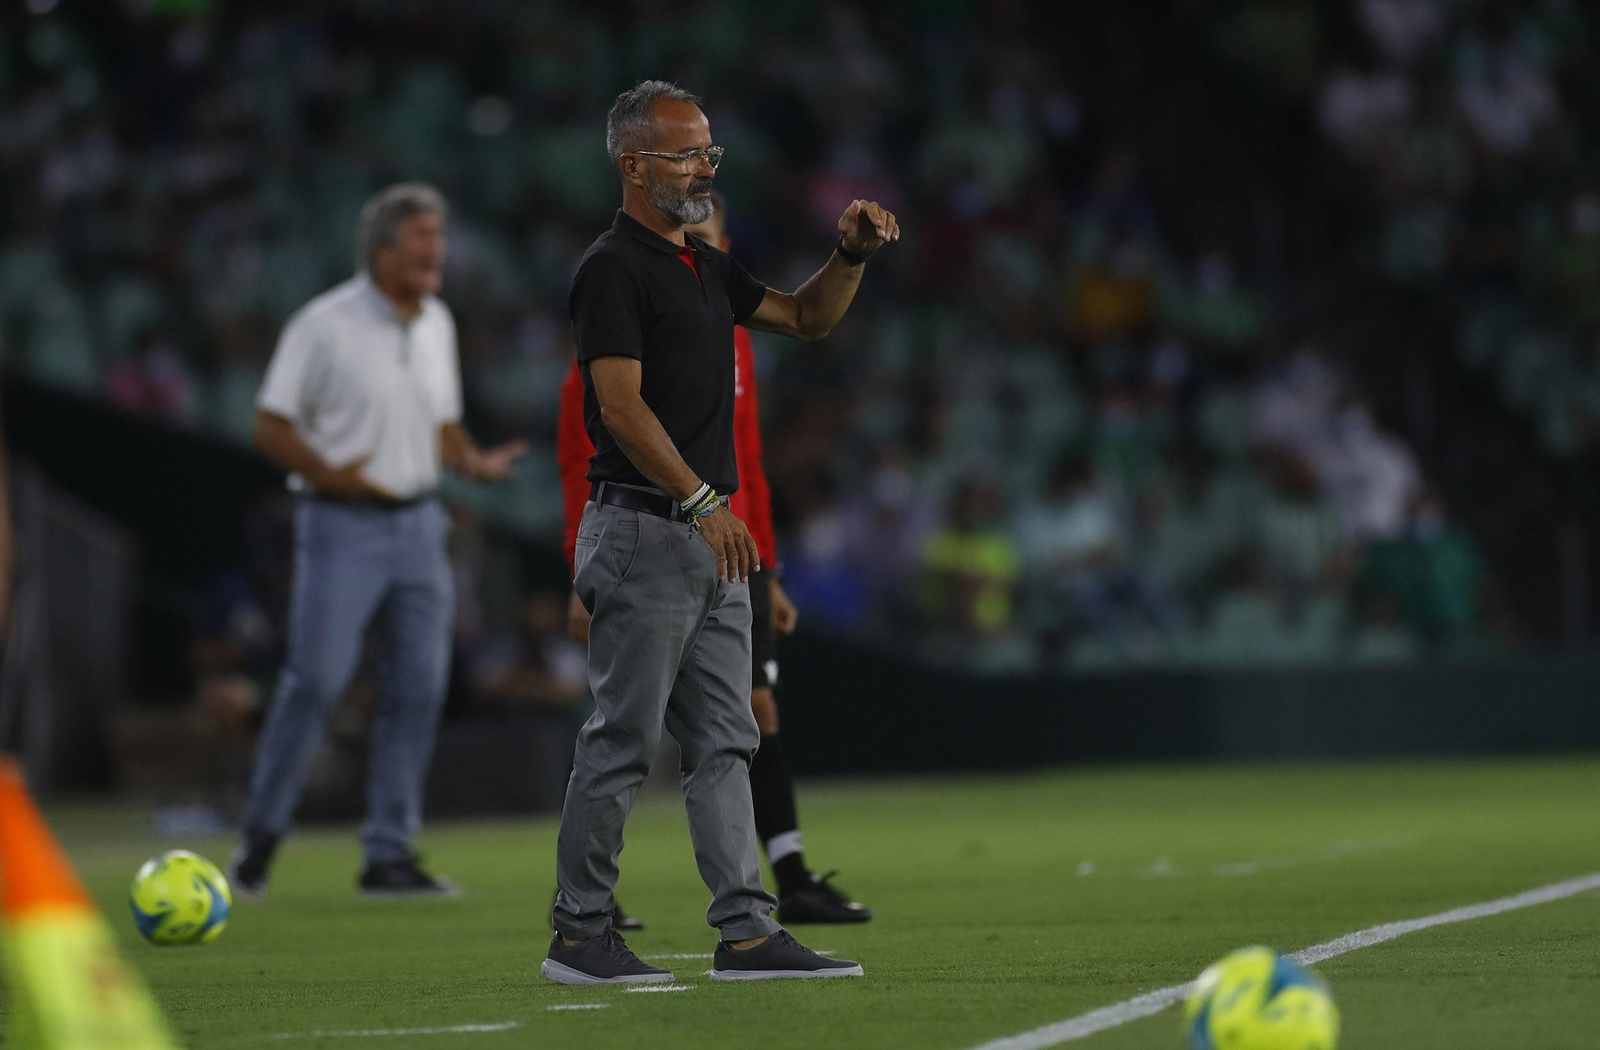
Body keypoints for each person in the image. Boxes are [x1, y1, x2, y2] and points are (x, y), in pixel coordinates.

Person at [542, 80, 897, 986]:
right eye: (686, 151)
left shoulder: (702, 266)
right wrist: (705, 502)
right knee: (623, 740)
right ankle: (580, 936)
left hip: (708, 539)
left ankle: (746, 933)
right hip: (647, 530)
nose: (704, 164)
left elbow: (806, 317)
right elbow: (616, 409)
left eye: (709, 150)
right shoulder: (612, 268)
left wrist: (848, 255)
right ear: (633, 165)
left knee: (727, 739)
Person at [228, 183, 527, 899]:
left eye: (440, 239)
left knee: (421, 687)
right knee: (318, 681)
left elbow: (441, 422)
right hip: (341, 524)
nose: (437, 253)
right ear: (382, 248)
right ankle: (261, 840)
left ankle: (388, 853)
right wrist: (333, 474)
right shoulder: (322, 324)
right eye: (422, 238)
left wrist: (471, 461)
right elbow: (269, 425)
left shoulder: (437, 323)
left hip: (422, 525)